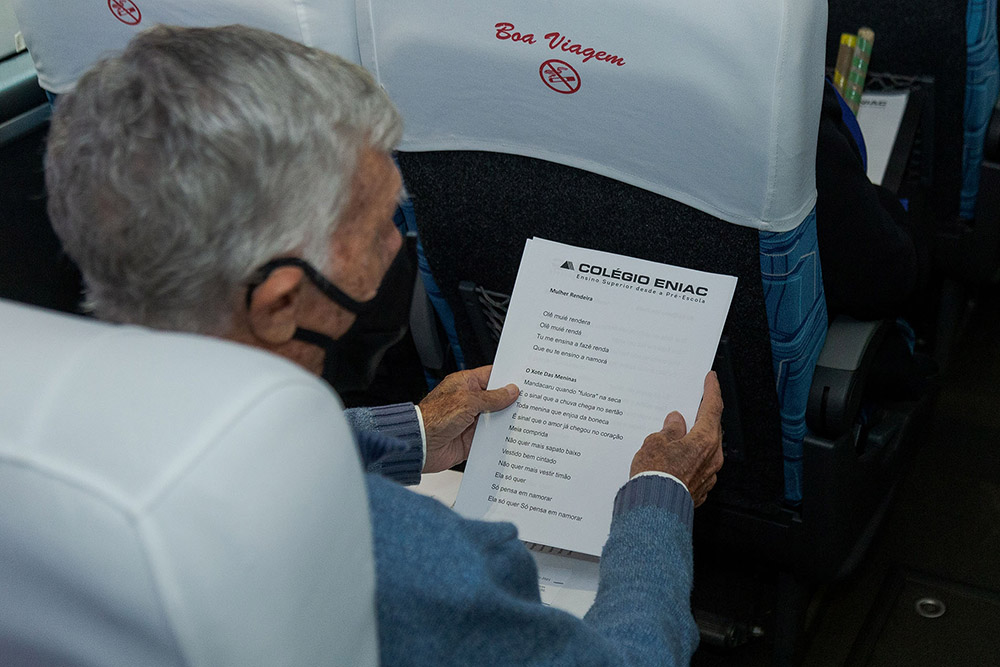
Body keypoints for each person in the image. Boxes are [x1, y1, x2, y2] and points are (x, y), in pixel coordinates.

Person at [44, 24, 725, 665]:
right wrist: (659, 499)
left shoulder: (47, 420)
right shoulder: (406, 564)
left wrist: (415, 434)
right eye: (374, 232)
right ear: (282, 302)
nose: (400, 245)